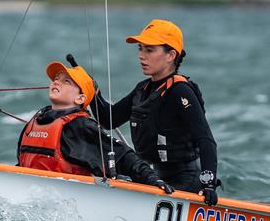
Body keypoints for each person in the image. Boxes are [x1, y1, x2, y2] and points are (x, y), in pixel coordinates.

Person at [90, 20, 219, 205]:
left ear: (171, 55)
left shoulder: (180, 90)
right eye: (140, 49)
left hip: (187, 181)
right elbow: (108, 120)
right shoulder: (142, 89)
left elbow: (205, 139)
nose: (142, 56)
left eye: (149, 50)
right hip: (155, 178)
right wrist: (92, 93)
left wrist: (209, 185)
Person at [17, 61, 174, 194]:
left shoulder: (81, 126)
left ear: (81, 98)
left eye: (67, 81)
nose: (56, 82)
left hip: (69, 198)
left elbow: (122, 155)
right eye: (56, 79)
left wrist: (153, 179)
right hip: (33, 193)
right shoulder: (36, 122)